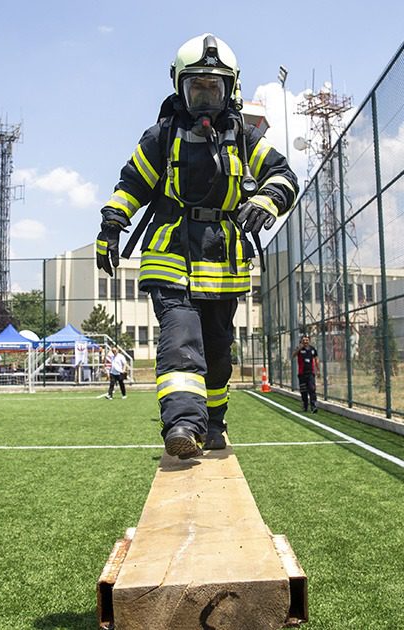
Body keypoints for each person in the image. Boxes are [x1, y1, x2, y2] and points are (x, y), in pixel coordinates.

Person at [95, 34, 298, 457]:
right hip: (170, 254)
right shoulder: (162, 136)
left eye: (213, 87)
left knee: (219, 356)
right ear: (179, 88)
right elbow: (131, 184)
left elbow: (283, 175)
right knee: (181, 340)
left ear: (229, 89)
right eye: (196, 87)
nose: (205, 97)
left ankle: (214, 423)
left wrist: (267, 198)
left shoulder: (244, 138)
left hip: (224, 263)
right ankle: (184, 425)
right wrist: (112, 224)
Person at [293, 335, 320, 413]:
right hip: (302, 374)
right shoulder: (299, 349)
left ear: (309, 341)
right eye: (304, 340)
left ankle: (314, 406)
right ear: (301, 341)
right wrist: (299, 348)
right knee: (304, 391)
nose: (305, 341)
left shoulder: (312, 349)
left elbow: (316, 359)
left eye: (307, 340)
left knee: (312, 389)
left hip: (310, 373)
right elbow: (293, 355)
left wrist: (318, 370)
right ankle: (305, 405)